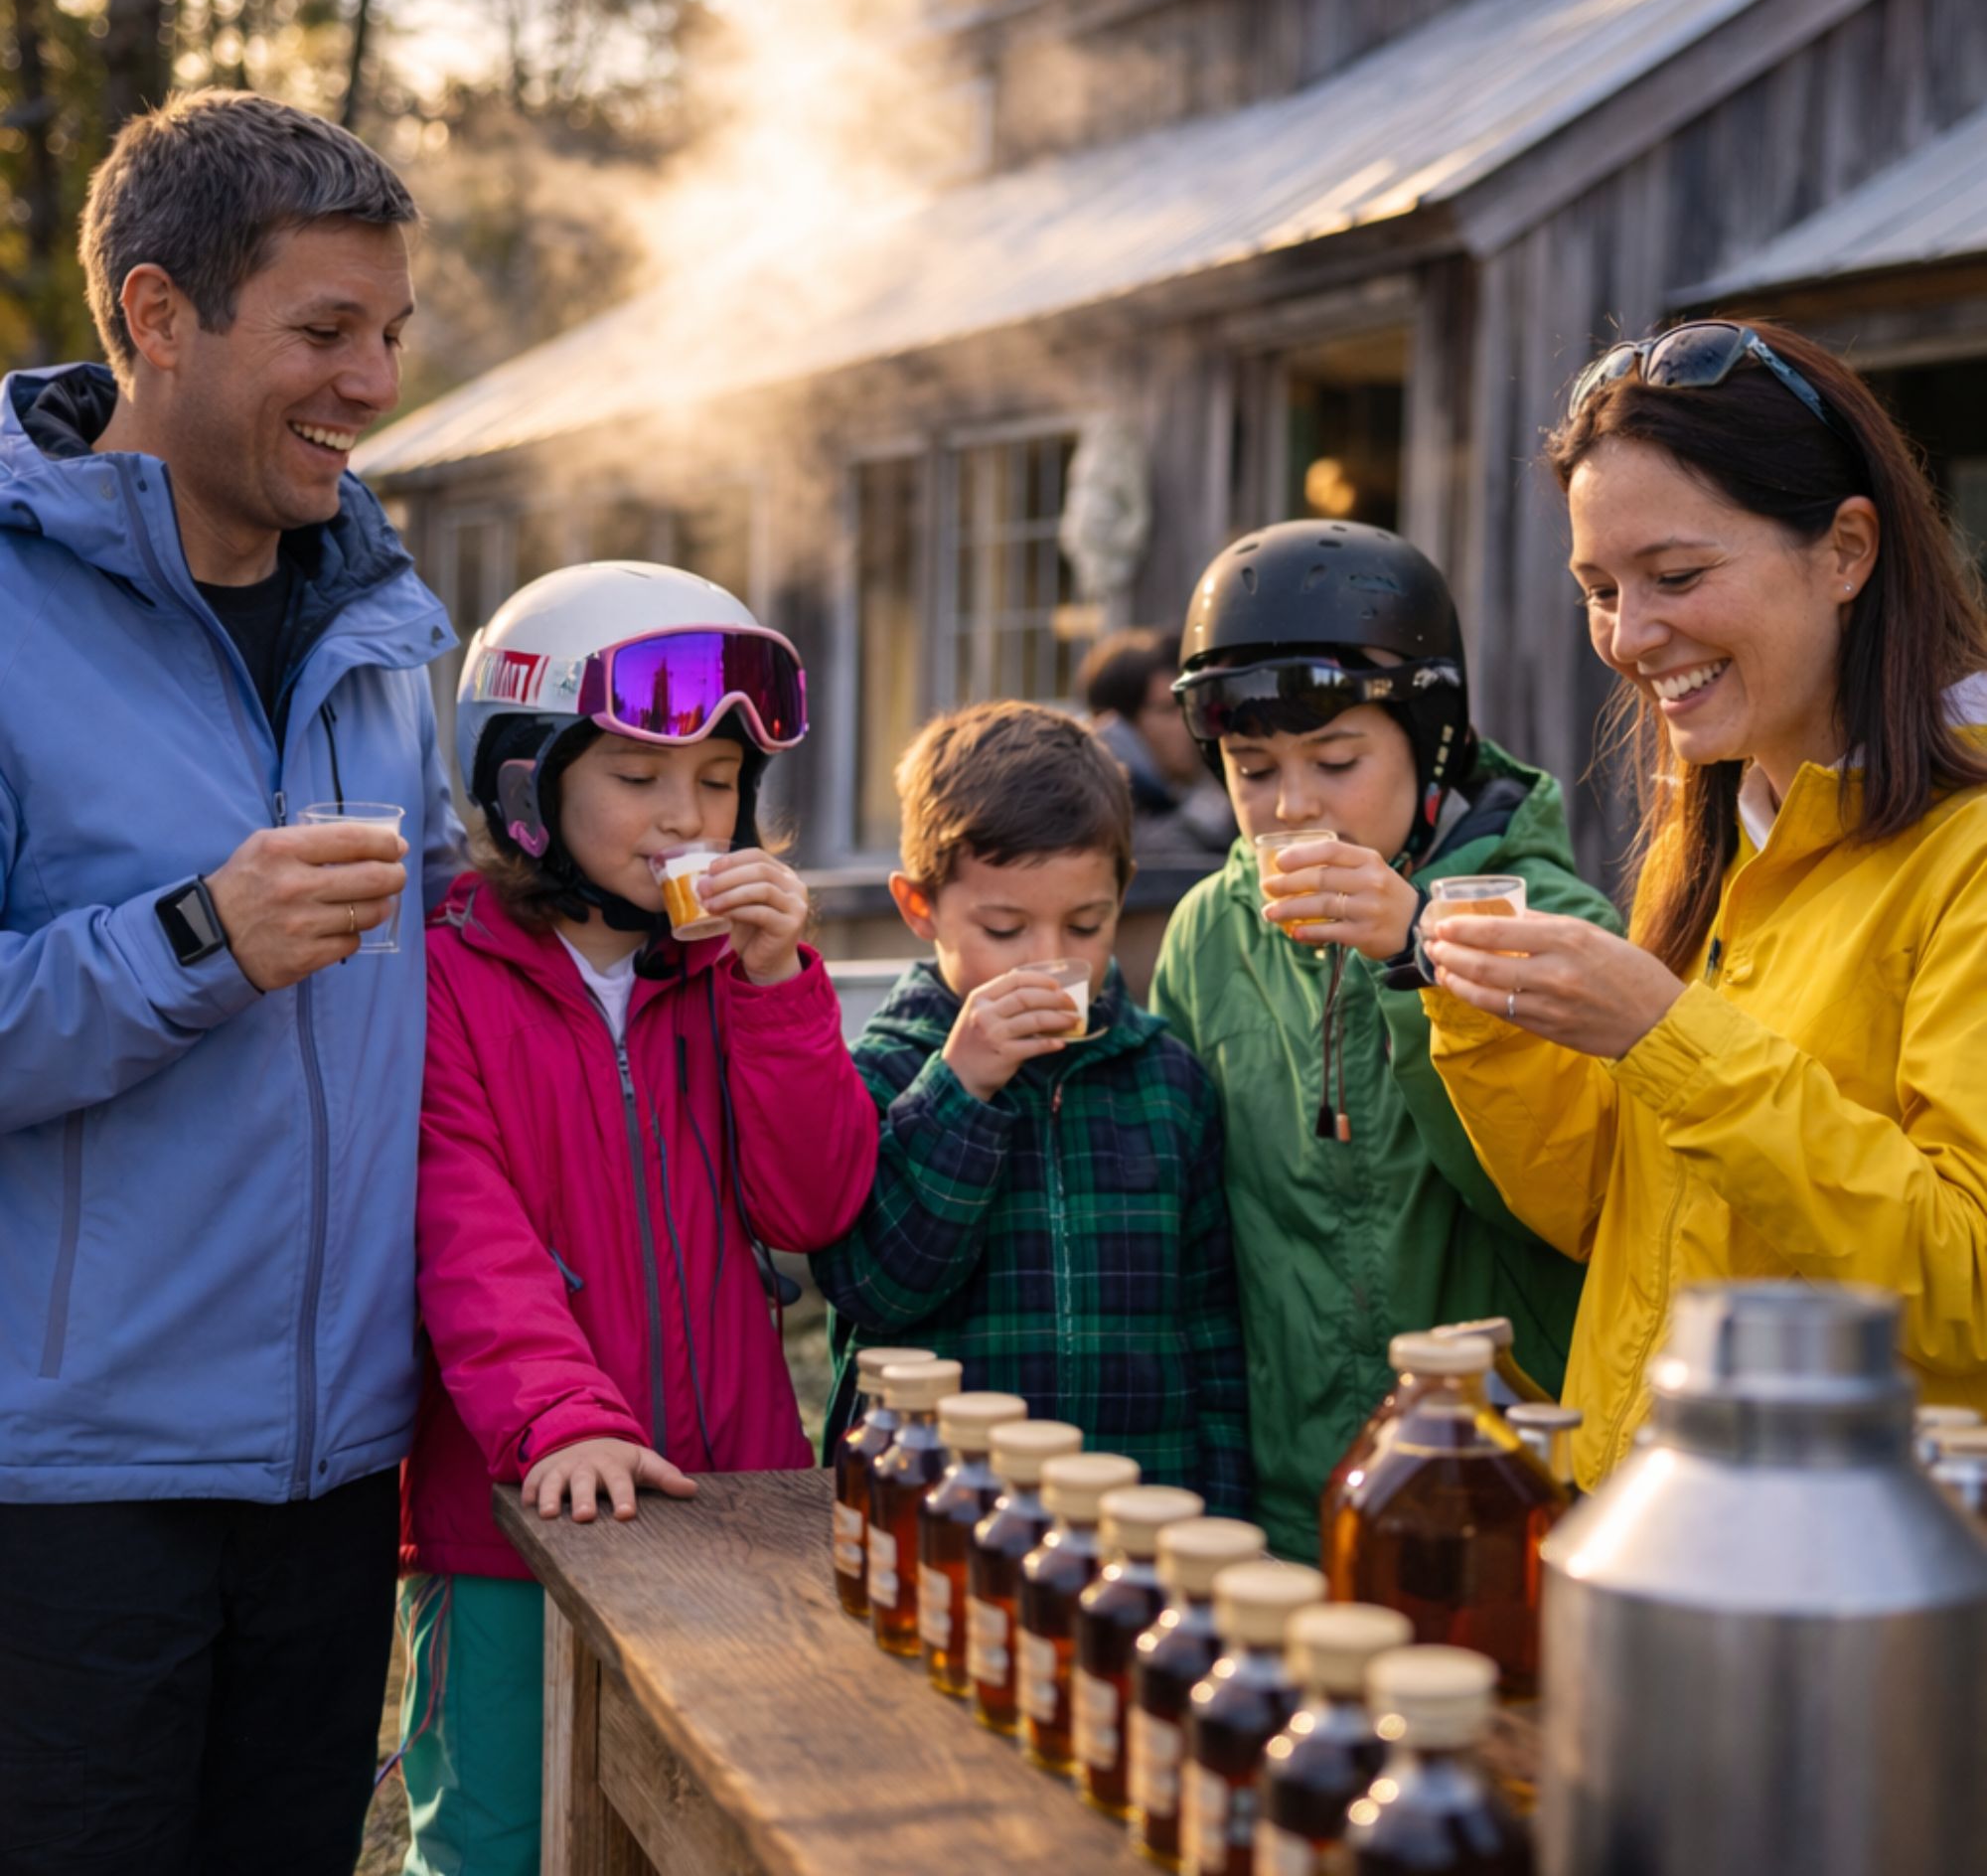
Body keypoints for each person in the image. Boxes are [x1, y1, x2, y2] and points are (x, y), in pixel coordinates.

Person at [0, 91, 463, 1872]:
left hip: (339, 1477)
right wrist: (197, 940)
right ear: (156, 315)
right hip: (72, 1488)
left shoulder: (383, 627)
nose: (374, 384)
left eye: (394, 335)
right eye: (326, 332)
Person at [1421, 319, 1987, 1489]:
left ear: (1843, 549)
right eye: (1598, 588)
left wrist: (1663, 1035)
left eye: (1674, 576)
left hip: (1847, 1591)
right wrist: (1488, 1015)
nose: (1629, 636)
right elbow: (1603, 1213)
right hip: (1654, 1536)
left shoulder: (1964, 851)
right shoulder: (1728, 837)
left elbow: (1964, 1283)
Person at [400, 559, 876, 1874]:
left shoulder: (738, 974)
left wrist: (779, 986)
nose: (688, 818)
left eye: (718, 783)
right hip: (516, 1508)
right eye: (639, 775)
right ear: (523, 784)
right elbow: (465, 1234)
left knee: (709, 1829)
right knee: (497, 1837)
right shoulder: (444, 978)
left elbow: (813, 1198)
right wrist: (562, 1416)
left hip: (730, 1506)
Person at [1148, 523, 1618, 1558]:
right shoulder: (1206, 931)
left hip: (1501, 1486)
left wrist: (1415, 949)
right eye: (1248, 765)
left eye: (1336, 757)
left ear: (1432, 738)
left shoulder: (1551, 922)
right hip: (1280, 1496)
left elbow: (1572, 1206)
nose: (1290, 804)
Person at [810, 702, 1250, 1514]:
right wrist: (962, 1088)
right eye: (1006, 929)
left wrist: (1219, 1519)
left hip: (1138, 1519)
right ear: (920, 908)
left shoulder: (1167, 1081)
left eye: (1086, 924)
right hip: (938, 1516)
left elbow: (1213, 1341)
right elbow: (877, 1288)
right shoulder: (880, 1070)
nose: (1051, 962)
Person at [1082, 626, 1235, 858]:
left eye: (1193, 704)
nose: (1189, 722)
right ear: (1119, 726)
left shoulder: (1208, 799)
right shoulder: (1099, 818)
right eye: (1169, 709)